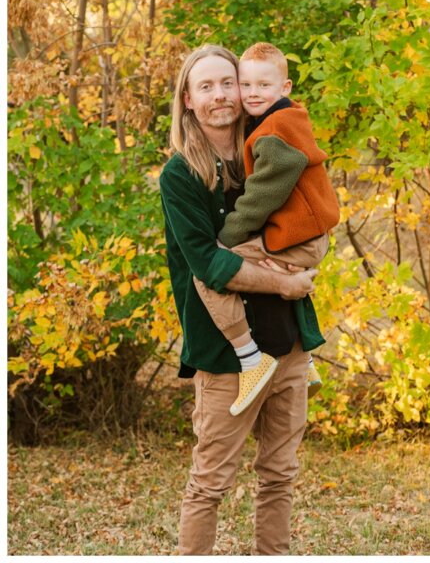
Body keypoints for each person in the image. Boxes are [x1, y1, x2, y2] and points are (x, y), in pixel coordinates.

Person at [160, 44, 325, 555]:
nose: (221, 96)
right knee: (210, 484)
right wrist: (282, 282)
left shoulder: (266, 145)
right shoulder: (180, 175)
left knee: (280, 476)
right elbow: (209, 265)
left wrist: (299, 269)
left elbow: (307, 217)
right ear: (188, 99)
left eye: (226, 83)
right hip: (229, 357)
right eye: (205, 87)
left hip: (289, 343)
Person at [191, 42, 339, 416]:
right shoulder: (285, 119)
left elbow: (264, 193)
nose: (253, 93)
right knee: (274, 273)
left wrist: (229, 236)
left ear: (285, 88)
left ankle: (249, 357)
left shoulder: (274, 131)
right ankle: (303, 363)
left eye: (264, 86)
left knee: (213, 273)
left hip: (300, 237)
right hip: (306, 234)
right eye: (246, 85)